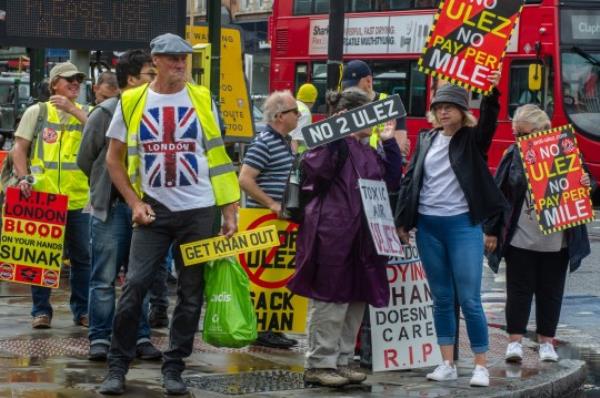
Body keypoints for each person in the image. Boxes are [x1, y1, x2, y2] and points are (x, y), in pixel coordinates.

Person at [99, 33, 239, 395]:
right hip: (154, 212)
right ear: (156, 61)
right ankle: (117, 367)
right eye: (173, 58)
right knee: (133, 288)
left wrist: (230, 211)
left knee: (192, 295)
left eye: (184, 59)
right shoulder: (131, 101)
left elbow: (219, 159)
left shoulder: (203, 98)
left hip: (200, 210)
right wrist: (133, 202)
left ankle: (174, 368)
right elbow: (113, 161)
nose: (180, 65)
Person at [395, 72, 504, 387]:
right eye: (439, 107)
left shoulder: (472, 139)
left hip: (462, 226)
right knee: (441, 298)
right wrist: (403, 221)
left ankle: (481, 364)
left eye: (450, 107)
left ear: (462, 111)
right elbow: (410, 179)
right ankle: (447, 362)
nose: (444, 112)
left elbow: (489, 122)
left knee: (470, 299)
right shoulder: (427, 138)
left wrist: (492, 91)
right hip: (428, 226)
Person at [287, 87, 402, 387]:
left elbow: (391, 180)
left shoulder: (368, 147)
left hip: (363, 234)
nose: (375, 123)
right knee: (330, 297)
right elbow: (315, 173)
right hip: (333, 231)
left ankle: (342, 359)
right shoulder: (331, 143)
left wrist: (390, 145)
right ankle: (319, 362)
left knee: (356, 296)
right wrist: (335, 135)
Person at [483, 104, 595, 363]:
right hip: (521, 236)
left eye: (524, 134)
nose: (520, 139)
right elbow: (498, 194)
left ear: (544, 130)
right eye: (516, 134)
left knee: (551, 291)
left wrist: (587, 183)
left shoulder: (565, 151)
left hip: (558, 240)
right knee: (518, 291)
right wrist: (491, 231)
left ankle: (547, 342)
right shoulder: (513, 154)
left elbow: (587, 182)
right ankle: (515, 343)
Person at [77, 50, 162, 362]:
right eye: (149, 75)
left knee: (139, 279)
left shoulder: (153, 110)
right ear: (131, 80)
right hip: (112, 209)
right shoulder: (105, 113)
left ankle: (139, 337)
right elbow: (86, 159)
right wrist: (106, 188)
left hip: (145, 209)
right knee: (103, 278)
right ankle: (99, 338)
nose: (155, 80)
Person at [12, 61, 91, 330]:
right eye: (69, 79)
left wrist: (74, 111)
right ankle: (41, 312)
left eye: (78, 80)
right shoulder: (38, 111)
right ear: (54, 83)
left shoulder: (87, 113)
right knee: (40, 257)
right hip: (43, 197)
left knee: (83, 260)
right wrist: (23, 178)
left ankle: (82, 311)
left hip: (79, 199)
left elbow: (104, 136)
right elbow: (19, 149)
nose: (75, 84)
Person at [238, 90, 299, 349]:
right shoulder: (264, 142)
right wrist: (272, 204)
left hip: (278, 221)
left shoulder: (284, 141)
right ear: (278, 116)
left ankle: (271, 327)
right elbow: (245, 179)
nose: (298, 115)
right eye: (294, 111)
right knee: (264, 274)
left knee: (276, 273)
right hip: (263, 220)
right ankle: (262, 329)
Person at [341, 60, 410, 159]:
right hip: (354, 169)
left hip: (382, 169)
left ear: (369, 81)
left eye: (354, 86)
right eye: (346, 87)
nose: (349, 92)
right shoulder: (344, 105)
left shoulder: (391, 105)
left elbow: (399, 147)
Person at [290, 83, 318, 154]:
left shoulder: (293, 105)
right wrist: (295, 161)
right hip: (299, 155)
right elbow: (294, 139)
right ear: (314, 100)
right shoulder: (305, 112)